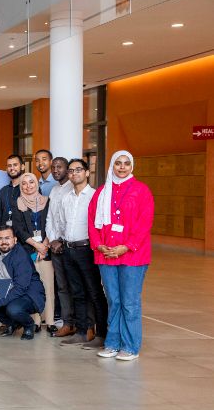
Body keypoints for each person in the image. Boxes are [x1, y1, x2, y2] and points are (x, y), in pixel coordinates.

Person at [91, 151, 154, 361]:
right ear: (112, 165)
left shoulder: (141, 190)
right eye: (118, 163)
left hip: (133, 256)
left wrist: (126, 247)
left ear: (131, 166)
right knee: (114, 301)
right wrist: (99, 245)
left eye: (126, 163)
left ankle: (130, 346)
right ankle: (112, 343)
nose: (122, 167)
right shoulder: (102, 192)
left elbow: (145, 222)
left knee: (129, 302)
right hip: (106, 254)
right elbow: (92, 221)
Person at [53, 159, 108, 347]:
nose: (74, 173)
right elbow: (61, 223)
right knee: (77, 293)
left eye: (78, 170)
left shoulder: (95, 196)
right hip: (69, 250)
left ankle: (101, 334)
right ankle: (82, 332)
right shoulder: (66, 198)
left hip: (87, 250)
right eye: (71, 171)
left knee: (95, 293)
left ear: (86, 172)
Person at [0, 226, 46, 340]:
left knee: (13, 309)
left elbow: (21, 288)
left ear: (15, 240)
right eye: (0, 238)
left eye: (7, 238)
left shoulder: (20, 256)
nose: (4, 242)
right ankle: (12, 323)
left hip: (28, 295)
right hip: (8, 290)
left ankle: (29, 325)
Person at [12, 172, 55, 334]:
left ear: (37, 184)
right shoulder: (18, 203)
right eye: (24, 183)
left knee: (48, 286)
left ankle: (50, 321)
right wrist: (37, 245)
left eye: (31, 182)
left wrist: (45, 246)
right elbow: (19, 229)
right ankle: (36, 321)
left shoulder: (47, 201)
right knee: (33, 288)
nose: (28, 186)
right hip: (28, 251)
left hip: (46, 250)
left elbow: (52, 223)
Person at [45, 157, 73, 334]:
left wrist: (61, 240)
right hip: (55, 246)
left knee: (75, 286)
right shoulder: (54, 190)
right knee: (61, 287)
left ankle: (81, 324)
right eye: (53, 167)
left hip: (69, 246)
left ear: (67, 169)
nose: (55, 170)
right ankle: (67, 322)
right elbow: (50, 218)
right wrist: (52, 239)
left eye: (59, 167)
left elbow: (72, 219)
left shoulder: (73, 188)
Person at [0, 154, 24, 230]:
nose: (12, 168)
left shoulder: (29, 188)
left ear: (22, 167)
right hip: (6, 235)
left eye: (15, 165)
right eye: (9, 166)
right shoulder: (3, 191)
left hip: (24, 235)